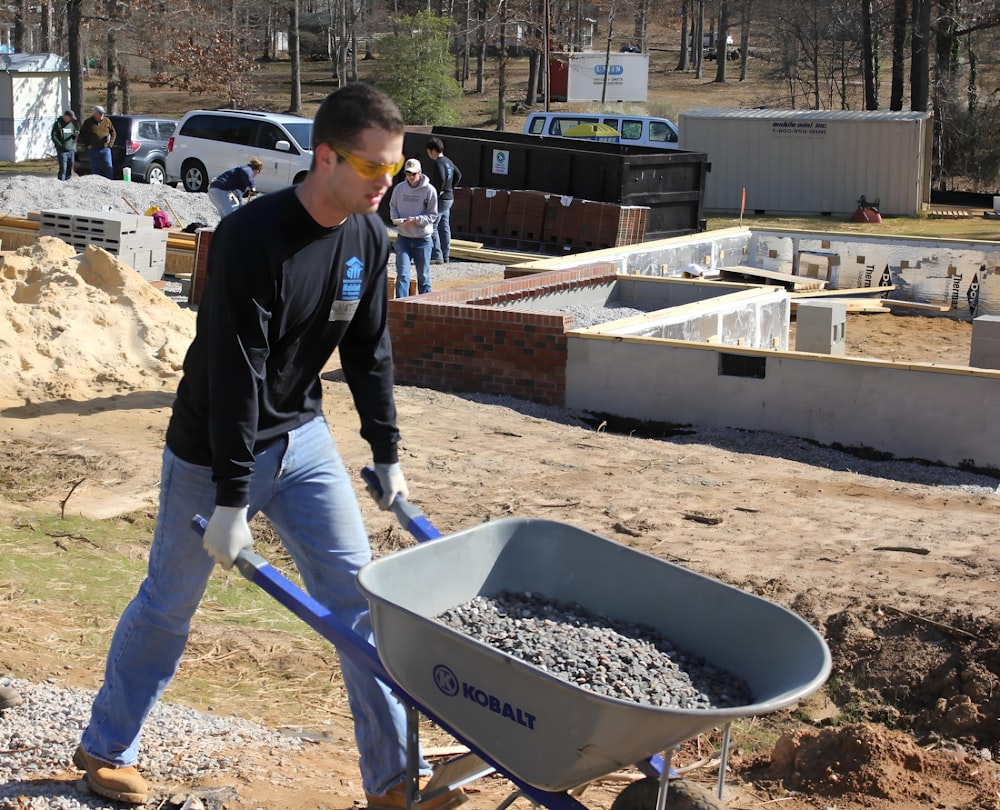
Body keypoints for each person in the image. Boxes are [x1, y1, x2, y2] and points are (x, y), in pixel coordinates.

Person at [71, 83, 466, 810]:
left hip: (303, 439)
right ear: (326, 157)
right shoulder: (253, 239)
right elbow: (236, 372)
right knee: (169, 601)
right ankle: (106, 748)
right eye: (374, 168)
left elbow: (369, 352)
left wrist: (386, 452)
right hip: (213, 446)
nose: (391, 182)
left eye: (396, 167)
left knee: (360, 603)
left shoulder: (370, 238)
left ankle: (393, 786)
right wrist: (229, 501)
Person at [389, 158, 437, 298]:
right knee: (403, 275)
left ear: (420, 173)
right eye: (408, 173)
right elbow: (393, 207)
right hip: (403, 238)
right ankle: (401, 306)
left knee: (423, 276)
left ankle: (425, 306)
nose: (410, 177)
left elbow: (432, 215)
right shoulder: (399, 189)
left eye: (413, 174)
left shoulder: (429, 190)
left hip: (422, 239)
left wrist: (417, 220)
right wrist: (396, 219)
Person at [424, 137, 461, 265]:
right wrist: (450, 188)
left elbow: (441, 177)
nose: (428, 155)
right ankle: (445, 255)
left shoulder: (438, 162)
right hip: (449, 198)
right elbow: (458, 174)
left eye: (429, 152)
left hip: (441, 198)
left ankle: (437, 255)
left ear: (433, 150)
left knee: (432, 226)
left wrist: (438, 191)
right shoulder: (448, 161)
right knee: (444, 226)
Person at [78, 106, 116, 179]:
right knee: (95, 169)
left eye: (103, 114)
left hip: (105, 149)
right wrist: (87, 144)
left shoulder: (107, 121)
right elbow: (82, 134)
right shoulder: (88, 122)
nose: (102, 115)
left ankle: (110, 183)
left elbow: (113, 133)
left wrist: (110, 144)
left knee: (108, 167)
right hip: (93, 149)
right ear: (95, 114)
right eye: (100, 114)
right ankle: (96, 185)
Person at [51, 109, 79, 181]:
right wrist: (60, 145)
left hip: (71, 150)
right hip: (62, 151)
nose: (71, 120)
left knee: (69, 168)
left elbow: (72, 137)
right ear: (66, 116)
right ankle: (61, 183)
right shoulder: (58, 124)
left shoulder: (71, 125)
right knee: (63, 168)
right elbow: (54, 136)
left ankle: (68, 182)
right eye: (71, 118)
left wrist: (75, 135)